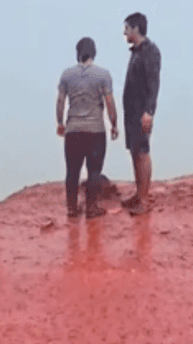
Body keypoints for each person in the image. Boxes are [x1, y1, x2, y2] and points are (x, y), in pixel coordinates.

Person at [57, 37, 118, 219]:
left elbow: (61, 100)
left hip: (73, 130)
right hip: (95, 131)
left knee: (72, 171)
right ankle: (92, 208)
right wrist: (114, 124)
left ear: (78, 53)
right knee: (94, 170)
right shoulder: (103, 75)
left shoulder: (67, 74)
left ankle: (72, 208)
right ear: (94, 53)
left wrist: (60, 122)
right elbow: (109, 102)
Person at [121, 12, 161, 216]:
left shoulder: (150, 52)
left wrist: (149, 112)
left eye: (126, 28)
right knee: (135, 152)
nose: (124, 32)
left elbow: (153, 84)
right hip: (131, 113)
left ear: (136, 29)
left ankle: (144, 200)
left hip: (141, 113)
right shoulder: (136, 52)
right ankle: (138, 194)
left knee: (142, 152)